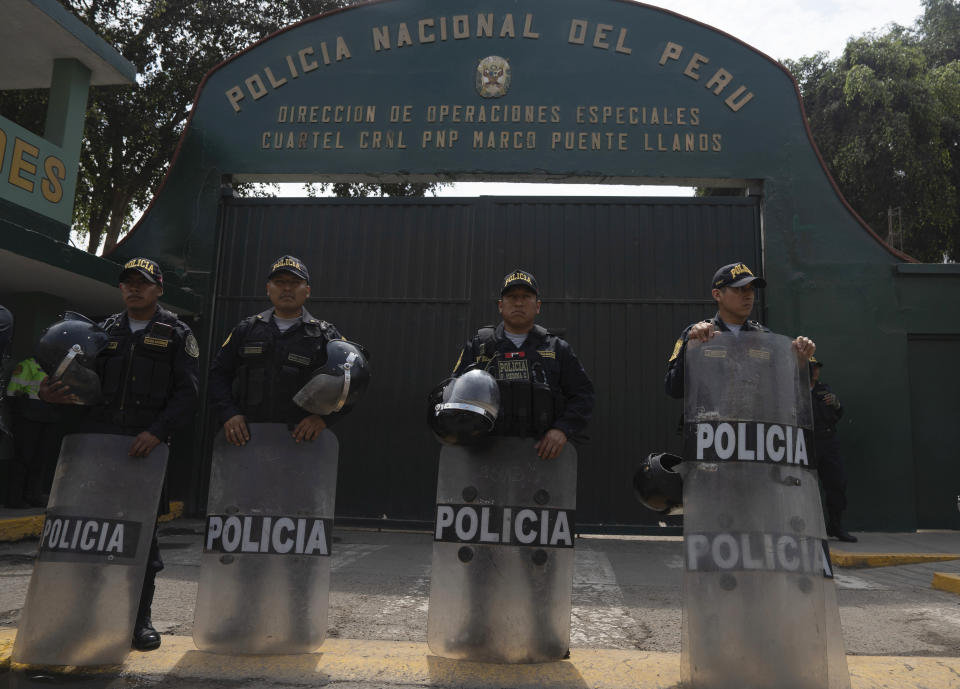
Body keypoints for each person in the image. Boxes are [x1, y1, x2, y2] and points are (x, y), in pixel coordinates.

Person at [39, 257, 200, 651]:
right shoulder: (99, 331)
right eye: (127, 282)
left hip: (144, 451)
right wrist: (49, 395)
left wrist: (157, 432)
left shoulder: (177, 334)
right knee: (90, 537)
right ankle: (83, 616)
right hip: (97, 447)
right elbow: (74, 386)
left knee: (142, 541)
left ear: (159, 289)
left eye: (142, 283)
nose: (133, 289)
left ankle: (138, 621)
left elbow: (188, 394)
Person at [208, 255, 352, 445]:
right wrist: (229, 414)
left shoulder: (325, 336)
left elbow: (352, 382)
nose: (286, 288)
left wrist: (324, 420)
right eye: (279, 282)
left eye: (295, 282)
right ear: (268, 289)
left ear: (307, 291)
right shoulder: (246, 330)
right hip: (248, 440)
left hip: (300, 443)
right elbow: (218, 375)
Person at [450, 269, 594, 458]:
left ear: (538, 306)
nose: (519, 303)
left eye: (526, 297)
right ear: (501, 305)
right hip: (485, 457)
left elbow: (583, 396)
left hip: (543, 458)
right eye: (512, 297)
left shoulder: (558, 349)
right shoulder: (479, 347)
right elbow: (453, 394)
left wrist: (563, 430)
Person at [665, 262, 815, 399]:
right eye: (739, 289)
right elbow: (674, 389)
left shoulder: (765, 336)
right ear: (717, 294)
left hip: (754, 426)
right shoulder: (696, 334)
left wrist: (801, 362)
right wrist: (690, 348)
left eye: (751, 289)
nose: (748, 295)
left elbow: (789, 389)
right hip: (710, 425)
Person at [810, 357, 856, 542]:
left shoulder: (824, 389)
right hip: (806, 440)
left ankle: (836, 526)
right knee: (805, 486)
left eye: (817, 368)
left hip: (828, 441)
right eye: (812, 367)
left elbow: (839, 412)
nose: (815, 371)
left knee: (837, 484)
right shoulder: (795, 390)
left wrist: (836, 404)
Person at [5, 357, 61, 508]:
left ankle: (33, 495)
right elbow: (12, 392)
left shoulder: (58, 366)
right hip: (27, 417)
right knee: (24, 457)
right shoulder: (28, 364)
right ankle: (15, 498)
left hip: (48, 417)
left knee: (40, 459)